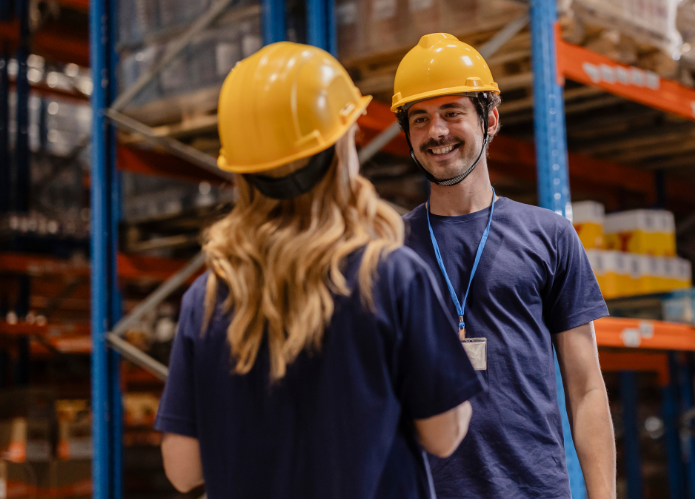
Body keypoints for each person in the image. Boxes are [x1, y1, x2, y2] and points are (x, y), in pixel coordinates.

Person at [153, 42, 483, 499]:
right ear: (338, 151)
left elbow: (183, 469)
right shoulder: (390, 278)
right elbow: (445, 435)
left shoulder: (206, 298)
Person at [391, 33, 617, 499]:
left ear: (489, 119)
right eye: (420, 119)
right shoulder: (389, 248)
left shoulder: (550, 236)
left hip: (532, 489)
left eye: (452, 112)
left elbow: (586, 388)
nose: (436, 132)